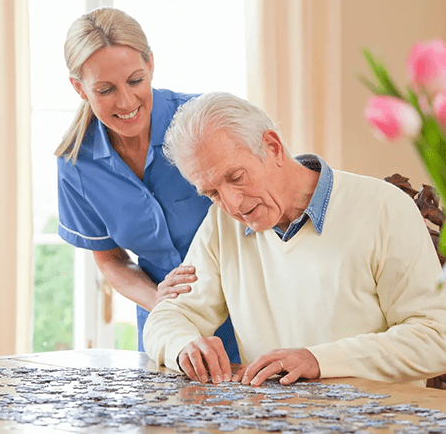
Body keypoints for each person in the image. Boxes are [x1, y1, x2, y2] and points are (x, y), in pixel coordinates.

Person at [143, 92, 446, 387]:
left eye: (236, 177)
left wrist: (318, 361)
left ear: (272, 147)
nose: (232, 204)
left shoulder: (384, 208)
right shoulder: (221, 225)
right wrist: (183, 346)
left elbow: (435, 338)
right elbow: (168, 317)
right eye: (212, 193)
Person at [55, 8, 239, 361]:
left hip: (247, 314)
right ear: (79, 88)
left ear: (151, 64)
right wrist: (163, 305)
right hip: (166, 328)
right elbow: (111, 260)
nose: (126, 102)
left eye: (136, 80)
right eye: (105, 89)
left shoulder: (205, 121)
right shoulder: (76, 164)